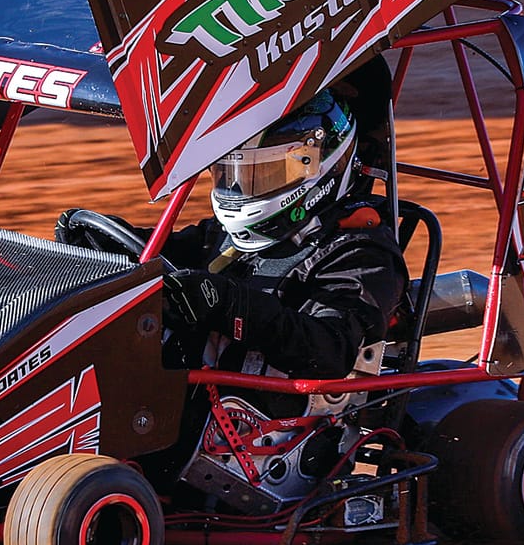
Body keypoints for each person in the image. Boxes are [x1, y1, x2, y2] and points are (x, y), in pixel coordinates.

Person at [150, 89, 408, 382]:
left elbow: (328, 350)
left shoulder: (360, 254)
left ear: (317, 165)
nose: (239, 189)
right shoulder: (223, 238)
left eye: (264, 173)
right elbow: (154, 252)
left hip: (273, 420)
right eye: (232, 173)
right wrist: (94, 235)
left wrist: (229, 304)